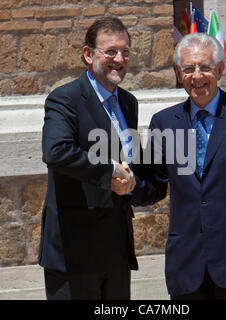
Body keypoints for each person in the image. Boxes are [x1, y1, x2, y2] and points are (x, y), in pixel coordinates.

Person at [131, 33, 226, 300]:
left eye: (205, 67)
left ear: (220, 70)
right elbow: (154, 185)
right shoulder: (164, 122)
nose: (197, 76)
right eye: (188, 69)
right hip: (186, 265)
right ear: (179, 73)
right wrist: (129, 184)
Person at [38, 17, 139, 300]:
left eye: (125, 51)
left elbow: (129, 160)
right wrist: (109, 173)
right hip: (74, 251)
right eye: (110, 51)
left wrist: (133, 180)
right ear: (88, 54)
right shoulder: (65, 99)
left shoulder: (129, 103)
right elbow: (56, 152)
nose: (119, 58)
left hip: (116, 249)